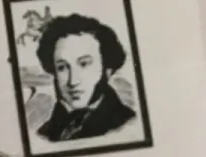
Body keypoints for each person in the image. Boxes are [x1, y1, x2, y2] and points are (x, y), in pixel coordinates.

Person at [35, 13, 137, 143]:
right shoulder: (45, 134)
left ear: (107, 69)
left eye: (84, 64)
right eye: (62, 67)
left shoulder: (127, 125)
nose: (73, 81)